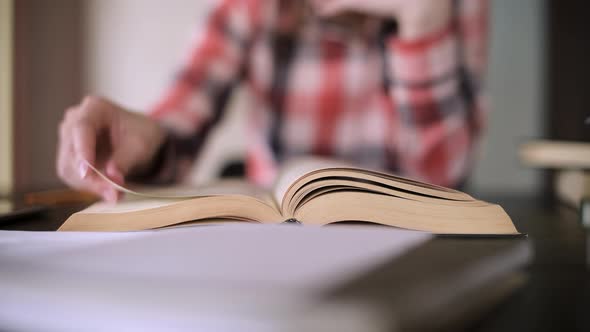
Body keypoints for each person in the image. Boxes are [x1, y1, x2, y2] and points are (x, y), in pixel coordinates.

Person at [57, 0, 488, 202]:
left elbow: (443, 177)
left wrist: (422, 18)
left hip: (409, 255)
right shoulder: (254, 7)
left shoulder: (453, 6)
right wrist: (143, 140)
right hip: (275, 240)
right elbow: (181, 118)